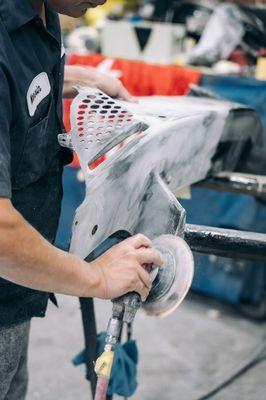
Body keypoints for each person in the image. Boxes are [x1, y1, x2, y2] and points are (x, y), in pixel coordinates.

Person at [0, 1, 162, 399]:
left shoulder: (43, 11)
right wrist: (97, 277)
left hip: (16, 291)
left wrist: (68, 77)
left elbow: (14, 82)